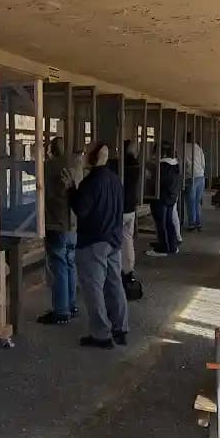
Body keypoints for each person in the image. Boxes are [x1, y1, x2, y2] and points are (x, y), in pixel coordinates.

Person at [66, 141, 129, 348]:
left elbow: (81, 210)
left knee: (93, 289)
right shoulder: (115, 179)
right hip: (114, 240)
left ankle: (101, 334)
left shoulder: (90, 182)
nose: (83, 156)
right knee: (114, 285)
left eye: (86, 152)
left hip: (93, 241)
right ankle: (120, 328)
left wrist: (71, 189)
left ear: (93, 157)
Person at [37, 137, 79, 324]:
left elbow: (30, 169)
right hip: (73, 225)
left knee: (58, 266)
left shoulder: (48, 166)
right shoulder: (74, 165)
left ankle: (61, 311)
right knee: (70, 263)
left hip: (55, 223)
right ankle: (71, 305)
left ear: (50, 150)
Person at [148, 141, 182, 257]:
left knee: (161, 224)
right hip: (171, 197)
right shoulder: (175, 164)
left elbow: (157, 183)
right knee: (168, 222)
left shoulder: (162, 166)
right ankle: (172, 246)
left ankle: (164, 248)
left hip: (161, 198)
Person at [121, 140, 142, 288]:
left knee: (116, 242)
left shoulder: (120, 164)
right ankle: (128, 270)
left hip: (120, 208)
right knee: (128, 240)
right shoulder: (136, 164)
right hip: (131, 207)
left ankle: (118, 271)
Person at [184, 131, 206, 231]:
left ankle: (192, 223)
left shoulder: (182, 147)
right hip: (201, 177)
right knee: (197, 202)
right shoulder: (198, 148)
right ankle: (198, 222)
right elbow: (203, 164)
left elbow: (181, 163)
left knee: (190, 202)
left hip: (190, 177)